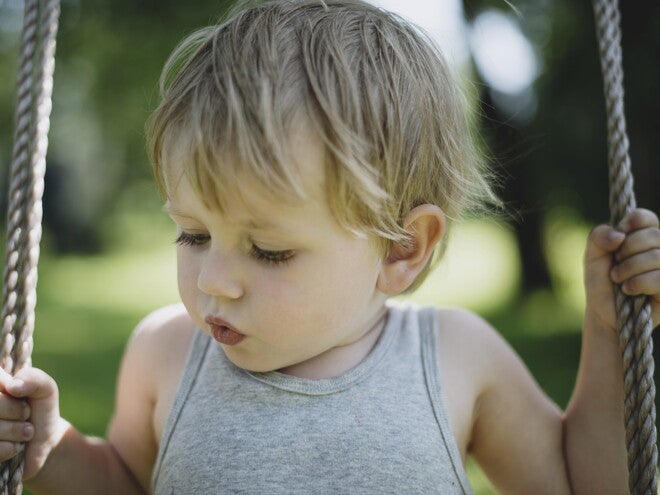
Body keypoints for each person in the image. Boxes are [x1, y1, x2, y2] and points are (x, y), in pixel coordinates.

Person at [1, 1, 658, 493]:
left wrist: (611, 329)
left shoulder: (456, 359)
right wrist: (48, 445)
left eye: (270, 251)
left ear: (402, 248)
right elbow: (124, 482)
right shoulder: (166, 352)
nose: (215, 282)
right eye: (195, 234)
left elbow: (584, 486)